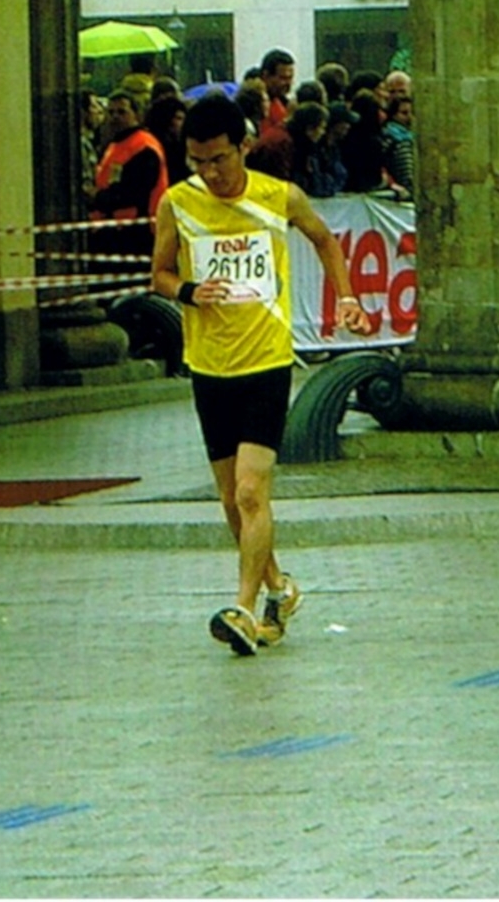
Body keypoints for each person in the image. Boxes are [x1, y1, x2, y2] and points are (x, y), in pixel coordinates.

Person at [150, 93, 371, 654]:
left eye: (219, 159)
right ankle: (278, 587)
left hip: (267, 360)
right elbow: (160, 275)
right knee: (231, 500)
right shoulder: (179, 203)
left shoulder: (280, 196)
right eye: (197, 162)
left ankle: (243, 609)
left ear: (243, 146)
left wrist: (345, 298)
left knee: (252, 490)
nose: (210, 173)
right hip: (208, 364)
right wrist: (192, 292)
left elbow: (324, 239)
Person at [90, 89, 171, 258]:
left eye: (122, 112)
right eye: (110, 112)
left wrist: (97, 197)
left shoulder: (143, 146)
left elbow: (134, 192)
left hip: (137, 232)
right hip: (115, 230)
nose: (115, 117)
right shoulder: (115, 144)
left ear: (136, 115)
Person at [257, 49, 296, 134]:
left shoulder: (285, 104)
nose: (289, 83)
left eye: (290, 78)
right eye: (283, 78)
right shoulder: (254, 107)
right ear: (266, 76)